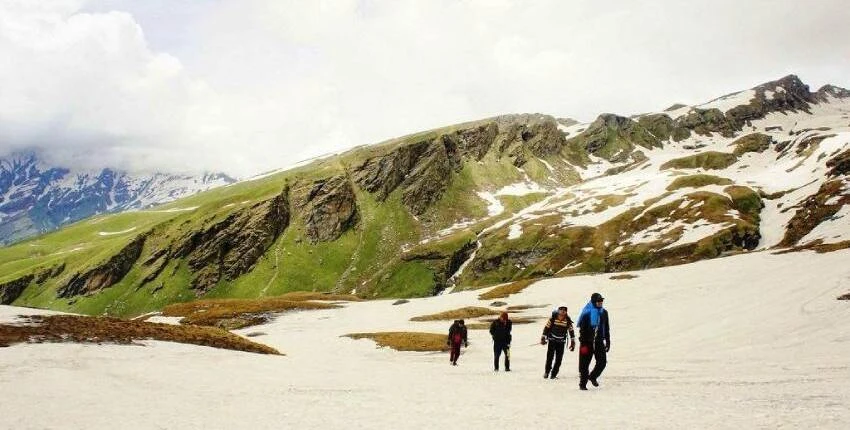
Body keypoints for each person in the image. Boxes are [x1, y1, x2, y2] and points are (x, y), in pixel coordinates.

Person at [576, 292, 611, 391]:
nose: (600, 303)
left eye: (601, 301)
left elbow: (606, 328)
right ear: (593, 301)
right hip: (586, 342)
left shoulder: (604, 312)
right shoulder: (586, 313)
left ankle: (593, 376)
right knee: (584, 364)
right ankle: (582, 384)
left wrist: (608, 341)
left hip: (599, 341)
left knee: (602, 362)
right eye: (598, 301)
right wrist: (583, 342)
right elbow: (582, 330)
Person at [540, 306, 575, 379]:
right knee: (550, 357)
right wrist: (543, 337)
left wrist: (572, 341)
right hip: (552, 340)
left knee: (559, 359)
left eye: (564, 310)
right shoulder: (553, 318)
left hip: (561, 342)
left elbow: (571, 331)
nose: (562, 311)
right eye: (561, 310)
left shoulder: (567, 320)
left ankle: (553, 374)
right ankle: (547, 372)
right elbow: (547, 327)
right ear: (558, 311)